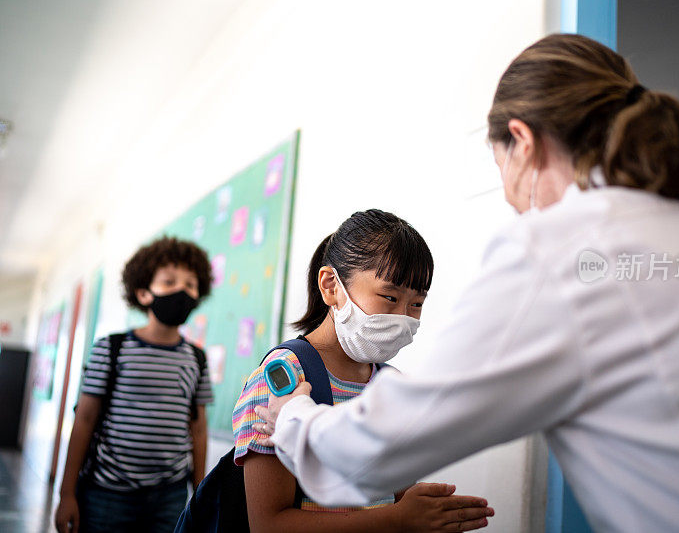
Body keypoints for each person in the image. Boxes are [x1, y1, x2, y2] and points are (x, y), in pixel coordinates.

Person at [256, 34, 679, 532]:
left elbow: (376, 449)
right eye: (391, 296)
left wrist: (296, 419)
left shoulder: (564, 247)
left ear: (522, 140)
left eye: (504, 171)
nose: (519, 206)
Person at [232, 209, 494, 532]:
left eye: (416, 304)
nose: (403, 317)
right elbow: (269, 525)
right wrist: (398, 520)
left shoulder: (389, 383)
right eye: (389, 296)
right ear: (331, 287)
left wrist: (427, 512)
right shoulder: (283, 382)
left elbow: (397, 494)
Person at [55, 236, 214, 533]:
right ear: (143, 293)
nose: (182, 291)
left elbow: (199, 428)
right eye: (169, 282)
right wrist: (66, 493)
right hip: (108, 492)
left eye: (191, 285)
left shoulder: (197, 358)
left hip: (170, 495)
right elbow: (85, 419)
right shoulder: (111, 348)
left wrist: (200, 498)